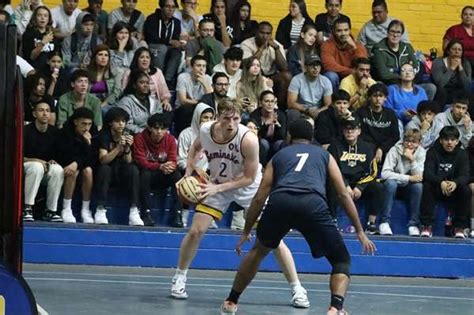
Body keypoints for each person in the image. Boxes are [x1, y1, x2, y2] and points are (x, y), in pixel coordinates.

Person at [220, 118, 376, 315]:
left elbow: (260, 197)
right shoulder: (324, 155)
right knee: (341, 260)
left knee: (258, 251)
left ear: (289, 137)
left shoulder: (279, 155)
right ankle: (335, 308)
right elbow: (343, 194)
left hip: (280, 202)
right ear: (312, 138)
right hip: (313, 204)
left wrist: (246, 230)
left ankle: (231, 301)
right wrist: (360, 231)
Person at [171, 98, 311, 310]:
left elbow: (248, 177)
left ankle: (297, 288)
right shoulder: (207, 130)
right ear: (218, 117)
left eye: (236, 118)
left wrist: (216, 188)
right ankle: (179, 277)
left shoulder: (248, 139)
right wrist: (188, 174)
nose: (231, 123)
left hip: (248, 188)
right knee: (195, 231)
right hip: (217, 182)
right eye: (227, 118)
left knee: (273, 239)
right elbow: (195, 148)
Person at [327, 116, 384, 234]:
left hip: (360, 182)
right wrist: (345, 185)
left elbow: (373, 171)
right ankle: (332, 221)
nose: (349, 131)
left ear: (359, 131)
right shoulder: (334, 145)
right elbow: (332, 168)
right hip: (341, 181)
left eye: (353, 128)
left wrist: (360, 187)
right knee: (330, 184)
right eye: (347, 129)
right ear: (343, 131)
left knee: (378, 187)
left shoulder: (368, 147)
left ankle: (371, 224)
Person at [94, 107, 144, 226]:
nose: (121, 124)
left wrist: (127, 148)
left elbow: (128, 161)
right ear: (110, 122)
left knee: (133, 170)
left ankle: (134, 211)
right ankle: (100, 209)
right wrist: (118, 148)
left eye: (123, 121)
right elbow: (103, 160)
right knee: (105, 169)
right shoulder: (104, 135)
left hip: (121, 172)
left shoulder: (128, 134)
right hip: (104, 173)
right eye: (117, 121)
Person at [133, 113, 184, 227]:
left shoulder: (170, 140)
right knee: (144, 173)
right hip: (147, 174)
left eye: (163, 128)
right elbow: (140, 161)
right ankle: (146, 213)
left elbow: (173, 160)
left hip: (162, 174)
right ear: (150, 128)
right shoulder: (140, 138)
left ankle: (177, 214)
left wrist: (169, 166)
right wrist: (159, 166)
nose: (159, 131)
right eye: (156, 128)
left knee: (176, 175)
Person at [420, 126, 471, 239]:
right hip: (437, 187)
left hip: (454, 188)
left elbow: (465, 175)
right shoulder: (433, 152)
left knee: (465, 190)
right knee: (427, 186)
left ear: (457, 141)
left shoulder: (462, 154)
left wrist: (455, 183)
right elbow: (427, 173)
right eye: (446, 139)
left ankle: (459, 227)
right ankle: (427, 225)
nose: (449, 143)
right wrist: (440, 182)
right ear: (441, 140)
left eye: (453, 140)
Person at [380, 129, 426, 236]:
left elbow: (419, 176)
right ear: (403, 140)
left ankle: (413, 224)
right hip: (393, 185)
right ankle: (384, 222)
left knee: (418, 186)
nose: (409, 144)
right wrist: (408, 178)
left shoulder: (421, 152)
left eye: (413, 142)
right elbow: (385, 173)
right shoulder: (394, 150)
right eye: (407, 141)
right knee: (391, 183)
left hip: (407, 188)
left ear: (419, 143)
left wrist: (412, 160)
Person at [23, 101, 63, 223]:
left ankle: (51, 210)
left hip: (44, 169)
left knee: (57, 169)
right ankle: (27, 208)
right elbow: (17, 157)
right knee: (36, 167)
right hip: (26, 167)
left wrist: (53, 161)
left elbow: (58, 156)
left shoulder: (55, 133)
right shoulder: (25, 131)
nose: (45, 113)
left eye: (47, 110)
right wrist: (36, 160)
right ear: (34, 114)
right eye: (41, 110)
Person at [56, 107, 98, 224]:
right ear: (75, 122)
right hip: (65, 164)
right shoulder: (65, 132)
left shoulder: (93, 133)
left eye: (89, 124)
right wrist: (76, 163)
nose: (87, 127)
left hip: (82, 165)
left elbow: (93, 160)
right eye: (83, 124)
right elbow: (65, 155)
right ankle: (66, 208)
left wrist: (88, 144)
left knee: (88, 171)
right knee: (73, 171)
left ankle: (85, 209)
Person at [177, 102, 215, 227]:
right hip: (188, 170)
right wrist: (194, 168)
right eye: (205, 117)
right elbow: (180, 159)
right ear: (197, 117)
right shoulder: (186, 134)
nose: (208, 121)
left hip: (206, 172)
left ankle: (209, 215)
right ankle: (184, 213)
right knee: (187, 180)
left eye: (211, 118)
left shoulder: (215, 136)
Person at [241, 21, 292, 110]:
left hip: (271, 76)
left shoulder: (277, 45)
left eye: (268, 33)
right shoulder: (246, 44)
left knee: (287, 76)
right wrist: (261, 48)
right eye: (262, 33)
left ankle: (280, 108)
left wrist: (276, 49)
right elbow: (247, 65)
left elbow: (284, 67)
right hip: (252, 75)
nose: (265, 36)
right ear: (256, 32)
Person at [356, 83, 399, 164]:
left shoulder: (390, 114)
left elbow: (395, 136)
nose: (378, 99)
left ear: (385, 98)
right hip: (367, 147)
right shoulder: (362, 112)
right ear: (369, 97)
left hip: (385, 148)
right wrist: (375, 148)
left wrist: (381, 148)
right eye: (375, 96)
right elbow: (360, 134)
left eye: (381, 96)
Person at [144, 0, 183, 88]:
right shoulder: (152, 18)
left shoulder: (176, 22)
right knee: (162, 48)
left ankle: (167, 81)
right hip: (153, 45)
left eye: (173, 7)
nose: (170, 9)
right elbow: (150, 37)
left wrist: (178, 44)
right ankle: (157, 78)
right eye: (167, 6)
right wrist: (168, 41)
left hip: (168, 47)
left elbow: (175, 39)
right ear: (161, 7)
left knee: (177, 52)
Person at [320, 15, 367, 90]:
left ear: (350, 30)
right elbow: (329, 66)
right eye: (339, 31)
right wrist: (352, 71)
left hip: (353, 77)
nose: (343, 34)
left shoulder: (358, 45)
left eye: (346, 30)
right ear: (334, 32)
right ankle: (334, 101)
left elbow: (364, 64)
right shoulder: (327, 45)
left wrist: (354, 48)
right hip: (337, 76)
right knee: (331, 76)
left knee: (363, 76)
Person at [174, 55, 213, 136]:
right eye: (198, 66)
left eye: (204, 66)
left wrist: (205, 83)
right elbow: (183, 100)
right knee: (186, 110)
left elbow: (211, 99)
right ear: (192, 67)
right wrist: (200, 103)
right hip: (184, 108)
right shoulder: (183, 77)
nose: (201, 69)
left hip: (200, 108)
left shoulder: (208, 78)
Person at [124, 47, 173, 113]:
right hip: (135, 103)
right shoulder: (129, 73)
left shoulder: (157, 72)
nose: (145, 60)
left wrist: (165, 101)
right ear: (136, 59)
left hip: (155, 104)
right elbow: (124, 91)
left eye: (147, 57)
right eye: (142, 57)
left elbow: (165, 93)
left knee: (168, 111)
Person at [371, 20, 418, 86]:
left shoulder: (407, 47)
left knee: (430, 88)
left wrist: (393, 70)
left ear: (401, 34)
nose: (395, 35)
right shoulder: (379, 49)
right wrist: (404, 74)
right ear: (387, 32)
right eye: (392, 31)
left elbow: (416, 66)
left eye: (398, 32)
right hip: (388, 84)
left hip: (408, 83)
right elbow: (384, 74)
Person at [287, 54, 332, 123]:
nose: (315, 68)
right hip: (301, 109)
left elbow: (328, 104)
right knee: (292, 113)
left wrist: (318, 111)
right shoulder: (296, 79)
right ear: (305, 67)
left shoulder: (326, 81)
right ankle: (292, 133)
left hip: (318, 110)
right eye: (312, 65)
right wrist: (307, 110)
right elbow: (291, 103)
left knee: (328, 114)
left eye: (318, 65)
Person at [117, 69, 165, 135]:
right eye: (142, 82)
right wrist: (146, 133)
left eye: (147, 83)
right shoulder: (126, 102)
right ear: (134, 85)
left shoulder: (155, 102)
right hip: (134, 136)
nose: (145, 85)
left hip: (155, 136)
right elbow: (127, 125)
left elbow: (160, 121)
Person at [250, 90, 287, 166]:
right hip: (261, 143)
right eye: (267, 101)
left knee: (280, 143)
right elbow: (255, 136)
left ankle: (279, 166)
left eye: (272, 101)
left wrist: (278, 126)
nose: (270, 104)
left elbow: (282, 137)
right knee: (264, 143)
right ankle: (261, 167)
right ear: (260, 103)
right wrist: (266, 124)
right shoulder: (255, 115)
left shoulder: (280, 115)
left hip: (275, 142)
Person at [431, 39, 472, 106]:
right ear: (448, 51)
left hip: (458, 90)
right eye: (454, 49)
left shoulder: (466, 63)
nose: (457, 52)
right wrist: (452, 68)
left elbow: (467, 85)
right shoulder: (438, 62)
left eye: (459, 50)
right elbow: (440, 83)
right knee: (442, 92)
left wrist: (461, 69)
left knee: (468, 94)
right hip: (443, 90)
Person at [86, 44, 124, 112]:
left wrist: (104, 104)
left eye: (106, 55)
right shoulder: (86, 72)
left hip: (108, 104)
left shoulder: (116, 72)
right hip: (89, 103)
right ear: (95, 57)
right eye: (100, 54)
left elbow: (116, 92)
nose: (103, 57)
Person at [236, 57, 272, 122]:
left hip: (265, 110)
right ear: (247, 68)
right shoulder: (240, 84)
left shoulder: (264, 81)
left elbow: (270, 98)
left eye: (258, 66)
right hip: (248, 113)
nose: (256, 68)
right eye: (253, 65)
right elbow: (241, 103)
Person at [22, 5, 58, 71]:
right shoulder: (28, 34)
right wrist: (42, 43)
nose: (42, 18)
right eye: (39, 15)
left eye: (45, 16)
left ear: (49, 19)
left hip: (50, 70)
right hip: (33, 69)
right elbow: (31, 57)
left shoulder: (52, 35)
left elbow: (56, 57)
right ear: (35, 18)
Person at [443, 6, 474, 72]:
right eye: (465, 14)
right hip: (460, 60)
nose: (468, 16)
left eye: (471, 14)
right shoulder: (454, 30)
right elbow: (445, 48)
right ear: (461, 16)